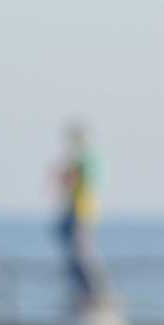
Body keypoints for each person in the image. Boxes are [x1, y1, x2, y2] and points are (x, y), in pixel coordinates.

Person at [55, 123, 101, 306]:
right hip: (78, 210)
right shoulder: (84, 159)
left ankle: (90, 295)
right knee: (77, 254)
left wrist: (64, 176)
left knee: (80, 255)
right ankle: (86, 294)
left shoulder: (83, 159)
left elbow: (69, 180)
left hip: (81, 211)